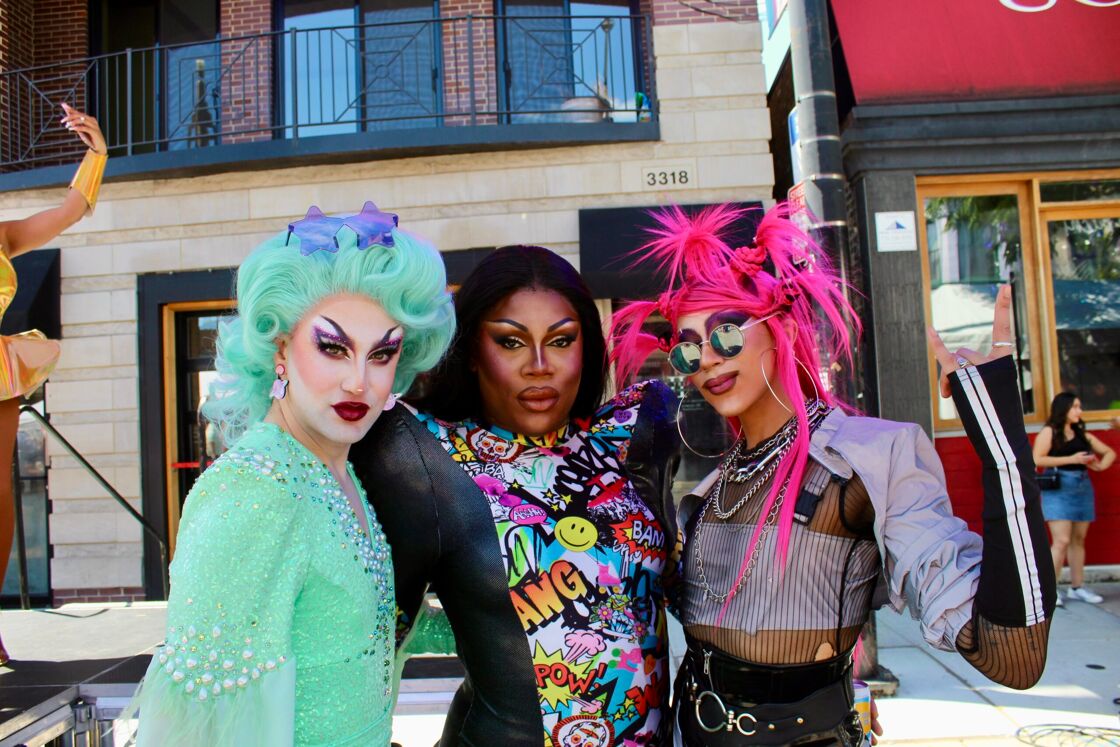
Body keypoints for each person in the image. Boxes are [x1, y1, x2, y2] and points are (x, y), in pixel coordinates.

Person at [609, 204, 1056, 746]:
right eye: (686, 348)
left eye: (726, 335)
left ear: (777, 327)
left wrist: (1001, 434)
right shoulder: (713, 489)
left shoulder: (868, 458)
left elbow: (1012, 659)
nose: (705, 359)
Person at [127, 204, 456, 746]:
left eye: (383, 353)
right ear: (280, 346)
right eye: (332, 347)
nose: (359, 381)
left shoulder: (341, 474)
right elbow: (204, 727)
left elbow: (352, 635)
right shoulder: (254, 490)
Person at [352, 246, 681, 745]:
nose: (540, 366)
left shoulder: (633, 437)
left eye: (562, 340)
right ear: (470, 356)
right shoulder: (424, 458)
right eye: (510, 342)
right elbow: (365, 650)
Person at [0, 104, 107, 666]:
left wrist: (95, 153)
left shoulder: (2, 235)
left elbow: (72, 209)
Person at [1033, 392, 1115, 606]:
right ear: (1064, 409)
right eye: (1075, 407)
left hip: (1082, 486)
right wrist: (1073, 458)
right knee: (1061, 541)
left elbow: (1109, 453)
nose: (1079, 411)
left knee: (1078, 540)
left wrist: (1099, 465)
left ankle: (1077, 587)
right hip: (1058, 488)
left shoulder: (1082, 433)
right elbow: (1037, 458)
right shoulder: (1050, 431)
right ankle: (1049, 591)